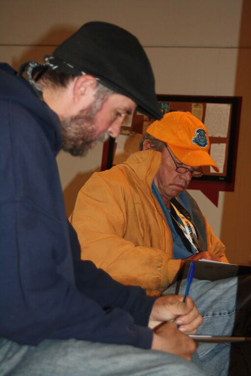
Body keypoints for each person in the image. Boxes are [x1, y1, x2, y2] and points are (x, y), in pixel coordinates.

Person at [0, 22, 205, 376]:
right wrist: (147, 340)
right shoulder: (14, 136)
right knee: (176, 370)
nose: (114, 132)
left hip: (21, 324)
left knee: (187, 353)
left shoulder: (27, 134)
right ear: (84, 86)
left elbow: (73, 271)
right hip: (11, 336)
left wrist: (145, 310)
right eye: (119, 112)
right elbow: (27, 306)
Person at [70, 111, 251, 376]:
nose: (186, 177)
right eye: (180, 164)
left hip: (194, 306)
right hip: (146, 305)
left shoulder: (188, 208)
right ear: (149, 149)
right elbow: (91, 256)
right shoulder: (109, 186)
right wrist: (175, 268)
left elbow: (217, 256)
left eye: (192, 170)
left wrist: (226, 269)